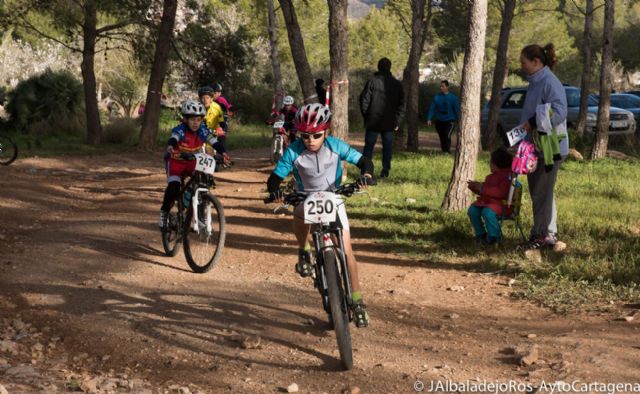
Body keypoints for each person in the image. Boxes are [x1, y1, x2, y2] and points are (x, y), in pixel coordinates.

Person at [265, 103, 374, 328]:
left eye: (316, 135)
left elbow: (363, 161)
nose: (310, 140)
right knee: (298, 212)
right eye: (305, 136)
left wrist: (366, 174)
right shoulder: (293, 150)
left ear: (326, 131)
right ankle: (304, 249)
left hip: (333, 197)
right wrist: (275, 191)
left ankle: (357, 300)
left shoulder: (336, 146)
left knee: (346, 250)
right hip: (305, 197)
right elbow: (275, 177)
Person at [518, 43, 568, 251]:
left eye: (524, 62)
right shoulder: (536, 81)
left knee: (541, 192)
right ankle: (547, 233)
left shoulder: (549, 82)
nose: (522, 67)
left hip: (550, 149)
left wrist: (534, 122)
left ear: (536, 62)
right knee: (542, 192)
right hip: (536, 147)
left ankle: (541, 235)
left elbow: (560, 112)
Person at [159, 100, 229, 227]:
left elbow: (213, 142)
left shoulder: (202, 130)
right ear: (185, 119)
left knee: (203, 181)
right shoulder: (180, 130)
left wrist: (223, 153)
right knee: (174, 186)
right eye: (192, 119)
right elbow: (174, 138)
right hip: (176, 161)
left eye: (198, 119)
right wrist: (170, 146)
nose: (195, 123)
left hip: (192, 160)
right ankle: (164, 213)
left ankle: (198, 213)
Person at [360, 57, 405, 178]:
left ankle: (366, 171)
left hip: (373, 120)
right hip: (390, 122)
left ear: (378, 67)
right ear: (390, 67)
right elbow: (402, 104)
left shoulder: (372, 81)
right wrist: (398, 121)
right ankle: (385, 171)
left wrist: (367, 116)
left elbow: (364, 101)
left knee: (369, 146)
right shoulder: (397, 84)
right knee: (387, 148)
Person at [467, 148, 514, 244]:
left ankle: (494, 236)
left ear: (497, 164)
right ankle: (481, 234)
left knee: (488, 212)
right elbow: (486, 191)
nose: (489, 164)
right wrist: (476, 188)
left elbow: (501, 192)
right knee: (472, 210)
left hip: (503, 205)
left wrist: (482, 188)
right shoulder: (491, 177)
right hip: (489, 203)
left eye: (491, 162)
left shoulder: (508, 177)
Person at [426, 80, 460, 154]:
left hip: (450, 120)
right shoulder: (437, 97)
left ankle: (447, 151)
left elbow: (457, 109)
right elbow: (432, 108)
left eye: (442, 86)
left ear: (447, 87)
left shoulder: (453, 98)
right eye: (440, 86)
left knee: (447, 135)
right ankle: (444, 151)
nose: (441, 87)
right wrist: (429, 118)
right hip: (439, 120)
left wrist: (460, 120)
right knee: (442, 137)